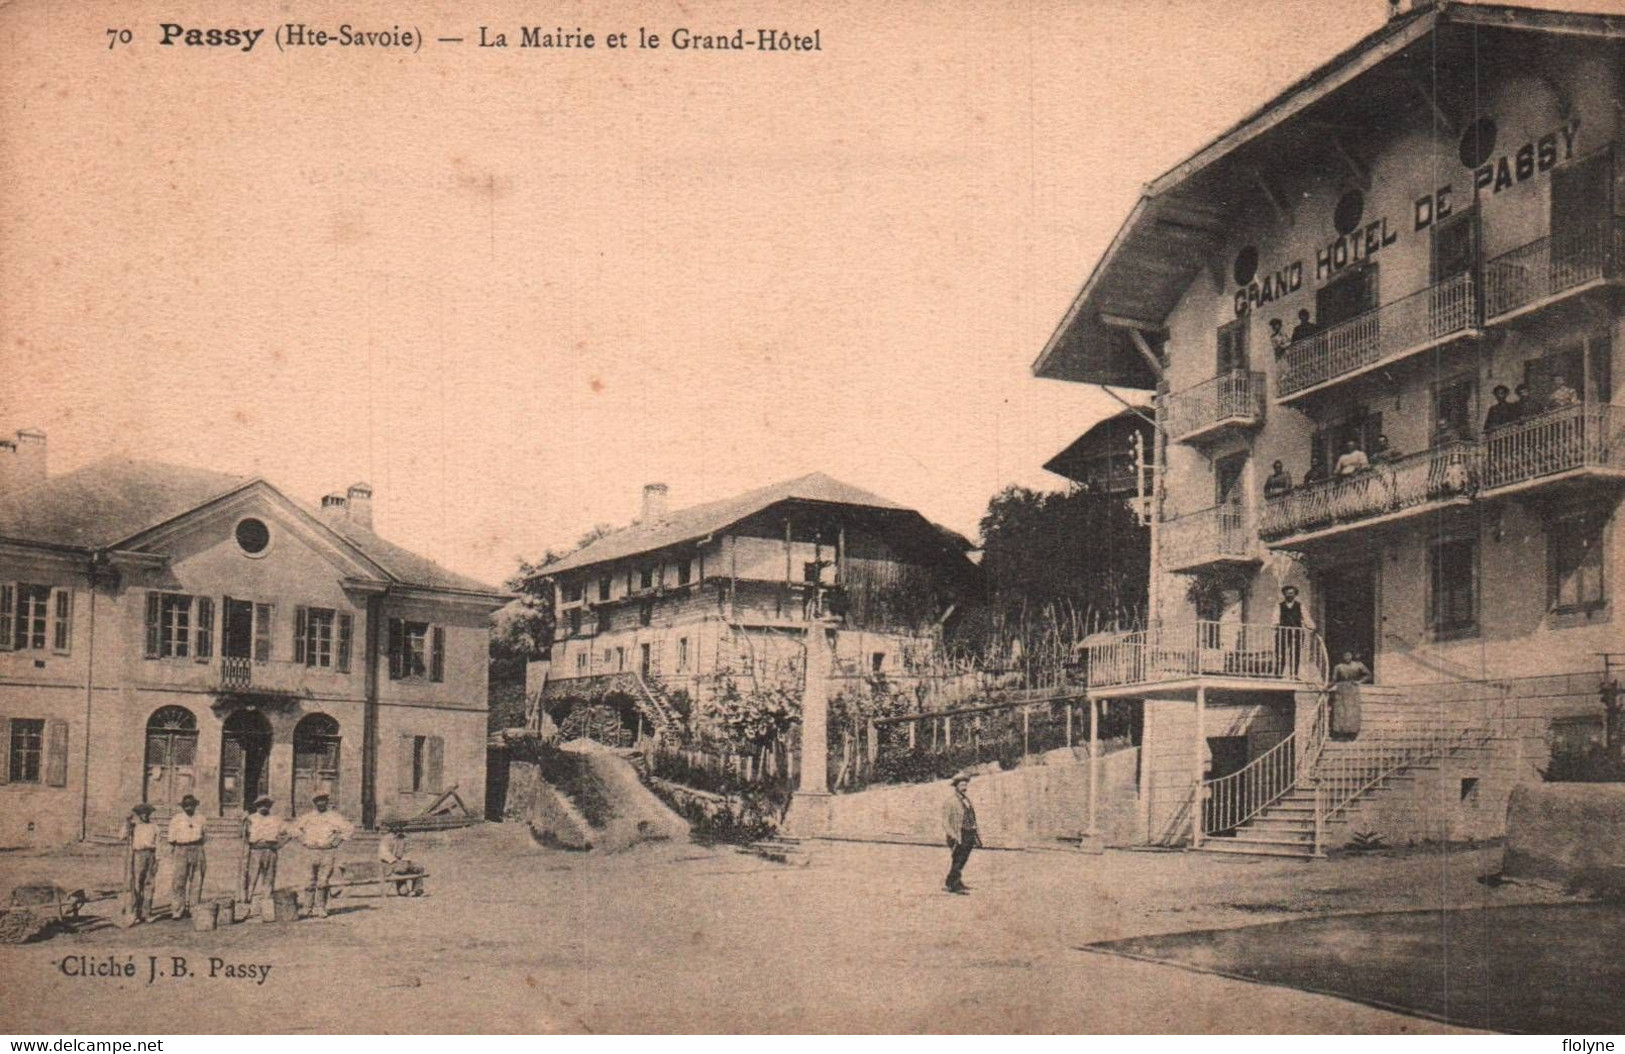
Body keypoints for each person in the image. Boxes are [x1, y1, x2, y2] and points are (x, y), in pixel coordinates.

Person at [291, 792, 354, 918]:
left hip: (327, 852)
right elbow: (294, 829)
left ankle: (321, 908)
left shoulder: (334, 817)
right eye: (318, 801)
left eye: (323, 800)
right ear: (314, 803)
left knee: (323, 881)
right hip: (311, 852)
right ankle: (307, 908)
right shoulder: (308, 817)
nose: (321, 803)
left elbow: (349, 828)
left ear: (327, 802)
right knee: (309, 880)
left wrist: (338, 840)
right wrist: (304, 840)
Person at [242, 796, 286, 918]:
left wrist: (280, 845)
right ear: (256, 806)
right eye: (261, 804)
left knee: (269, 879)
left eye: (266, 804)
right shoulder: (250, 819)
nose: (264, 807)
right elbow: (244, 836)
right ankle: (248, 907)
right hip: (255, 851)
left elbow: (289, 832)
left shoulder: (276, 819)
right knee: (252, 879)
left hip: (270, 850)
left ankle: (266, 910)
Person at [167, 793, 207, 920]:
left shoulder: (201, 818)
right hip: (181, 848)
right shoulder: (176, 819)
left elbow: (205, 836)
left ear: (195, 806)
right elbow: (171, 838)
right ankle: (178, 910)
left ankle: (194, 908)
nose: (189, 807)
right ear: (183, 806)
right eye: (186, 805)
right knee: (179, 880)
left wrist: (197, 846)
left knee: (196, 880)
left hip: (197, 848)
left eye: (191, 805)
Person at [942, 773, 981, 895]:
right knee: (958, 860)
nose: (964, 787)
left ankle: (952, 881)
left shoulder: (967, 800)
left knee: (963, 859)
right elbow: (945, 821)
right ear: (956, 786)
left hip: (969, 832)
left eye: (965, 784)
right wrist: (953, 835)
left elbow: (971, 816)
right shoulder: (951, 801)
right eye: (961, 785)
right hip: (958, 834)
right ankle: (954, 885)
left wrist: (975, 831)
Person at [125, 803, 159, 924]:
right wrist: (127, 823)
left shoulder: (154, 827)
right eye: (142, 813)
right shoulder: (134, 826)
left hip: (151, 854)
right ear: (139, 815)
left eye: (147, 813)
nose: (145, 815)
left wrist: (157, 860)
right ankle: (135, 913)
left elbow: (159, 844)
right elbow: (122, 836)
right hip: (138, 855)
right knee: (136, 884)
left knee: (149, 884)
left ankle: (147, 913)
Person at [1275, 585, 1314, 678]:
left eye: (1292, 593)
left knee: (1295, 654)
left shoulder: (1300, 606)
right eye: (1288, 593)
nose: (1290, 595)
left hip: (1296, 634)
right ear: (1284, 594)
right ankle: (1279, 673)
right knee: (1280, 654)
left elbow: (1306, 618)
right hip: (1283, 633)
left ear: (1295, 595)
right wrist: (1277, 626)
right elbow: (1275, 619)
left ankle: (1294, 674)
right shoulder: (1279, 606)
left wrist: (1312, 627)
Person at [378, 826, 426, 897]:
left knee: (419, 867)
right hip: (390, 864)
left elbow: (408, 850)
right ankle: (403, 890)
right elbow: (384, 853)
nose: (398, 828)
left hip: (403, 861)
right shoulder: (387, 838)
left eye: (400, 826)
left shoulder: (403, 838)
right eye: (396, 826)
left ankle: (417, 890)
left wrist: (406, 859)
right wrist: (395, 860)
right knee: (401, 869)